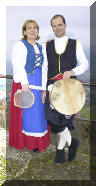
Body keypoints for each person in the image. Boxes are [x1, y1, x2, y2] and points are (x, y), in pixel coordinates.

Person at [42, 15, 89, 163]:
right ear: (52, 28)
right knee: (50, 116)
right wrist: (44, 90)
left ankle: (60, 154)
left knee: (64, 119)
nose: (57, 27)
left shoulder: (76, 43)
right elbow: (44, 69)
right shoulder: (46, 45)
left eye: (60, 24)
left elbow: (84, 64)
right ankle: (72, 142)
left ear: (65, 25)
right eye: (54, 25)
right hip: (51, 87)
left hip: (69, 89)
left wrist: (72, 72)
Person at [9, 19, 50, 152]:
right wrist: (24, 84)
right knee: (27, 115)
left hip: (38, 85)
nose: (32, 30)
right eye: (29, 28)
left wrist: (44, 89)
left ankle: (37, 143)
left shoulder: (41, 48)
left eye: (35, 28)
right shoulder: (20, 45)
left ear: (38, 30)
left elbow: (44, 69)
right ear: (25, 31)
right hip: (25, 84)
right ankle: (29, 143)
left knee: (39, 115)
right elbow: (18, 64)